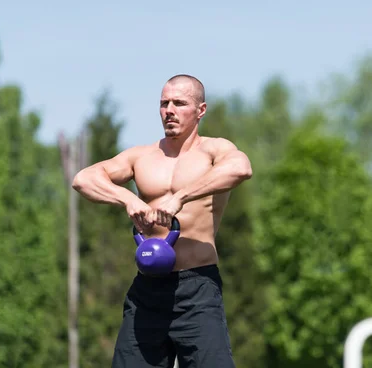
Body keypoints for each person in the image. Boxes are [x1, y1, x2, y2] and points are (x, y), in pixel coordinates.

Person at [72, 74, 252, 368]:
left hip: (197, 288)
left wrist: (180, 196)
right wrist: (128, 199)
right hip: (147, 290)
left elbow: (241, 168)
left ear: (200, 110)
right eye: (164, 103)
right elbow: (84, 179)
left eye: (179, 103)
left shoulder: (213, 150)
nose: (169, 110)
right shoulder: (142, 156)